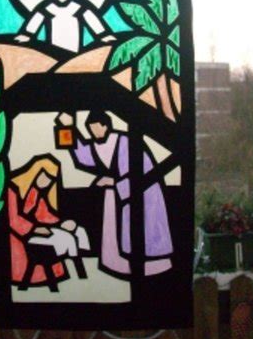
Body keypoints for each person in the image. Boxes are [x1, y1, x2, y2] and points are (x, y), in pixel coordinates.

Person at [58, 111, 173, 277]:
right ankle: (119, 266)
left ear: (106, 126)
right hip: (117, 195)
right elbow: (83, 156)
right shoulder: (99, 144)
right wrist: (68, 127)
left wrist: (113, 182)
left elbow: (140, 174)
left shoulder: (127, 142)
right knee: (117, 236)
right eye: (91, 130)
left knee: (143, 235)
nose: (94, 133)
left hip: (145, 197)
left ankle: (149, 269)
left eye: (96, 129)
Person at [8, 155, 89, 290]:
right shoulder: (12, 188)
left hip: (38, 232)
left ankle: (81, 275)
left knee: (76, 233)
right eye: (45, 177)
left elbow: (44, 214)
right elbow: (13, 219)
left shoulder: (36, 191)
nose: (47, 183)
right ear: (36, 172)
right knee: (65, 239)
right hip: (19, 239)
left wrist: (61, 223)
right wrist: (33, 229)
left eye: (51, 179)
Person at [15, 0, 115, 53]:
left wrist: (103, 35)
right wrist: (27, 35)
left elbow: (92, 20)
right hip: (53, 50)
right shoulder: (47, 8)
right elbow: (35, 21)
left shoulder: (79, 7)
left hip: (75, 50)